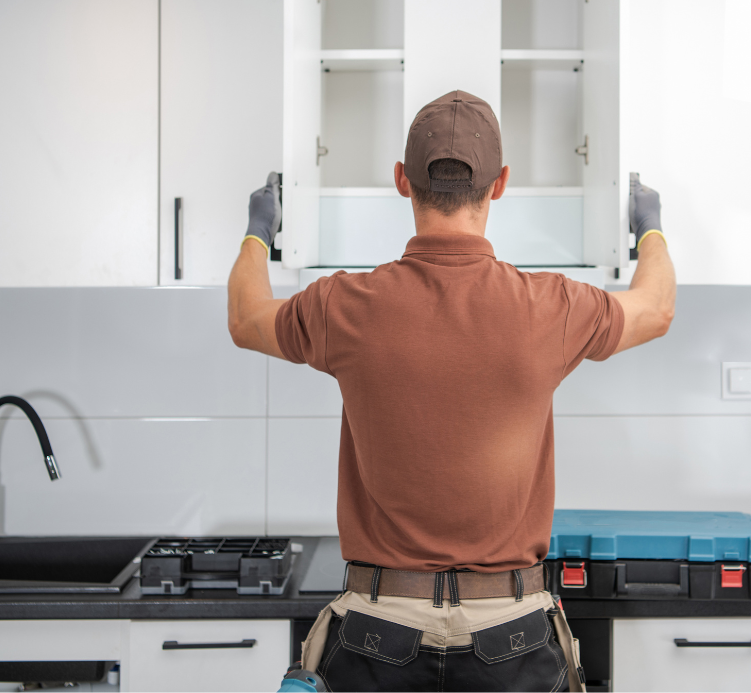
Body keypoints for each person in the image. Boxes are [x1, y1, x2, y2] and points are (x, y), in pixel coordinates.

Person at [228, 90, 675, 692]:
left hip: (377, 634)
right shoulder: (551, 307)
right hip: (512, 636)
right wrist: (649, 227)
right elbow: (656, 308)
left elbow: (246, 317)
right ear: (501, 184)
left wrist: (260, 231)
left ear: (401, 181)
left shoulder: (343, 306)